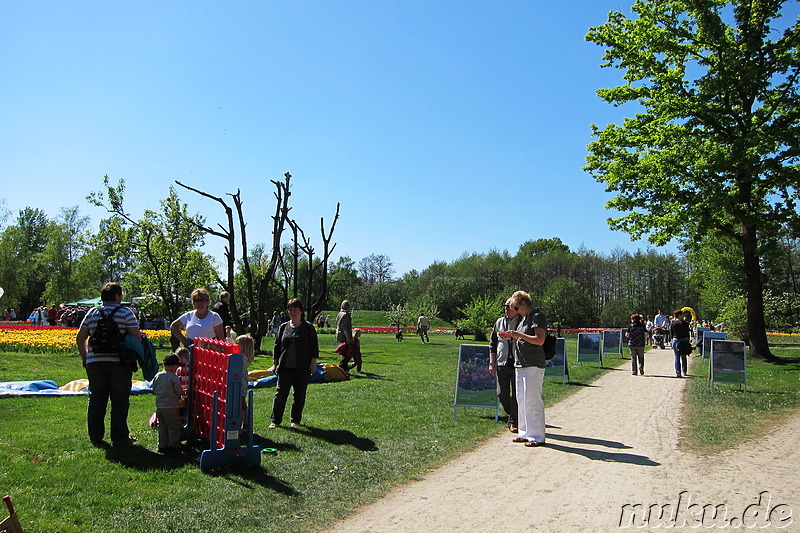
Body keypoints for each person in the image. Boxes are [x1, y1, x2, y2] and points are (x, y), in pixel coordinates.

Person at [75, 282, 142, 446]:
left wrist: (85, 357)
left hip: (95, 362)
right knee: (120, 399)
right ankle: (119, 437)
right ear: (117, 296)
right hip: (119, 361)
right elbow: (136, 337)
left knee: (97, 399)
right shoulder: (126, 312)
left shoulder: (92, 312)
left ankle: (96, 437)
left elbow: (80, 337)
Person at [499, 291, 546, 447]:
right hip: (520, 364)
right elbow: (523, 338)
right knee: (522, 400)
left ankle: (537, 436)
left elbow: (539, 340)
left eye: (517, 307)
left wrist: (517, 334)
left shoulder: (537, 316)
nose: (516, 311)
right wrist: (511, 338)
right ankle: (524, 432)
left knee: (532, 400)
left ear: (524, 304)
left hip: (533, 364)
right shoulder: (524, 319)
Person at [269, 298, 319, 429]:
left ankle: (295, 420)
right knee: (280, 394)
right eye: (290, 309)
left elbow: (314, 347)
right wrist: (275, 364)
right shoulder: (283, 327)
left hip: (302, 367)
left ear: (301, 311)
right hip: (285, 366)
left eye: (295, 309)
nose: (293, 312)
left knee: (299, 395)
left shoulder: (308, 328)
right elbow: (277, 347)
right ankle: (275, 420)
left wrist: (313, 364)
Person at [489, 298, 521, 433]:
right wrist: (492, 362)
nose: (506, 309)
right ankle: (513, 414)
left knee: (517, 394)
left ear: (515, 307)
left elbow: (526, 339)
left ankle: (514, 421)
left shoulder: (522, 322)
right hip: (502, 362)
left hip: (518, 362)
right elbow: (493, 344)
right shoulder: (499, 322)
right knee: (502, 393)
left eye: (508, 306)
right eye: (505, 306)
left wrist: (513, 338)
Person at [151, 353, 184, 453]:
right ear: (174, 366)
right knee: (173, 426)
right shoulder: (173, 377)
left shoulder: (158, 376)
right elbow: (179, 391)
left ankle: (162, 445)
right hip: (171, 406)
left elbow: (154, 389)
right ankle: (173, 446)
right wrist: (183, 393)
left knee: (163, 426)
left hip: (160, 406)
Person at [236, 334, 255, 430]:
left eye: (237, 344)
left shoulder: (241, 358)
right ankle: (245, 423)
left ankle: (245, 422)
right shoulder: (243, 357)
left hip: (240, 382)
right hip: (242, 381)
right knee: (242, 402)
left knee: (241, 402)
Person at [670, 309, 692, 378]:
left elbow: (671, 333)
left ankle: (678, 372)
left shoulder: (673, 323)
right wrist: (688, 340)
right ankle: (684, 371)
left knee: (677, 356)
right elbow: (687, 333)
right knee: (683, 356)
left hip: (675, 339)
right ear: (679, 315)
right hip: (683, 340)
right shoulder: (685, 323)